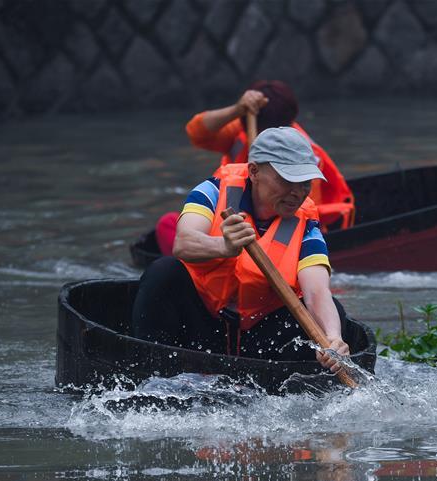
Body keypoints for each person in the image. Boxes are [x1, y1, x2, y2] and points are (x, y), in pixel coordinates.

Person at [132, 127, 349, 373]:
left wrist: (333, 338)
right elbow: (183, 244)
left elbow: (317, 291)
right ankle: (150, 371)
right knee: (163, 271)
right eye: (287, 180)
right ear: (254, 171)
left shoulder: (307, 224)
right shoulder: (212, 191)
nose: (298, 193)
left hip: (259, 338)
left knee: (335, 316)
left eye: (305, 183)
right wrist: (223, 246)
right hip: (202, 323)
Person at [155, 81, 355, 254]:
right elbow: (197, 133)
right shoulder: (238, 133)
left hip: (277, 229)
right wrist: (237, 109)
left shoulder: (303, 156)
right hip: (232, 222)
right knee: (169, 224)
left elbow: (299, 210)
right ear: (253, 171)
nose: (265, 138)